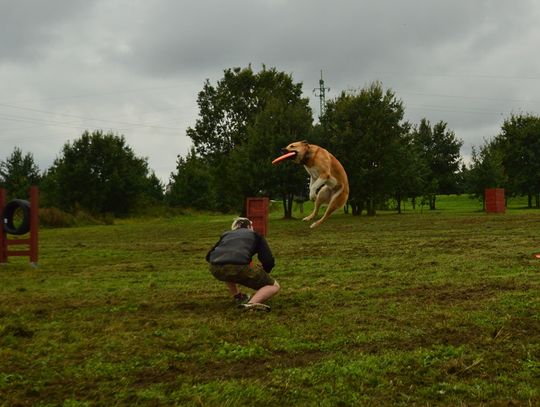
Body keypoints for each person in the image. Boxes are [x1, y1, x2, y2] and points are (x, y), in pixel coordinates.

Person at [206, 217, 280, 311]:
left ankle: (238, 297)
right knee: (274, 286)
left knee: (227, 266)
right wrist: (265, 271)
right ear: (249, 226)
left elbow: (209, 256)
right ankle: (251, 305)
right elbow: (268, 260)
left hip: (215, 268)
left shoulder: (226, 235)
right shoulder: (256, 235)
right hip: (238, 267)